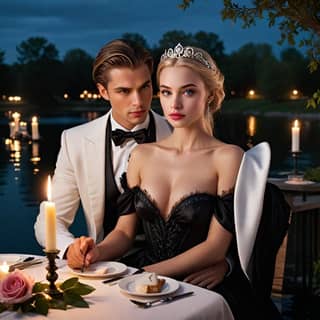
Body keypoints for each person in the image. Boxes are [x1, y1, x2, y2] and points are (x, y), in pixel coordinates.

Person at [70, 43, 278, 319]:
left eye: (188, 91)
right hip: (141, 278)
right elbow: (124, 232)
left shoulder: (227, 157)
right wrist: (97, 251)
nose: (174, 104)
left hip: (197, 283)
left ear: (211, 95)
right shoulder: (141, 155)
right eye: (166, 92)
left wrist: (144, 275)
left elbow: (215, 248)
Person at [34, 39, 172, 258]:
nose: (138, 101)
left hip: (174, 269)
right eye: (124, 91)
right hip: (105, 265)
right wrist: (71, 249)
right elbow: (51, 219)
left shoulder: (179, 133)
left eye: (144, 87)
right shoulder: (75, 141)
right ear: (103, 91)